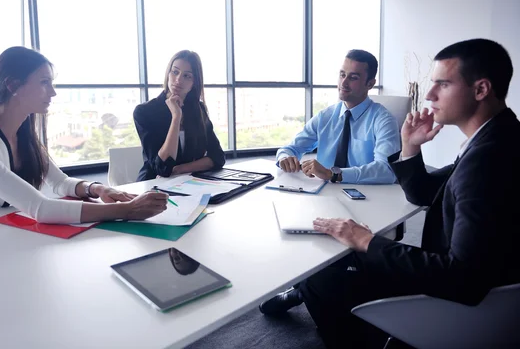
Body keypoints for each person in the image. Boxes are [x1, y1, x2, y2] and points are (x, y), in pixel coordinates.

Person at [262, 39, 520, 348]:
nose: (429, 94)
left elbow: (462, 279)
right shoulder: (497, 138)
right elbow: (426, 193)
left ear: (480, 90)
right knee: (339, 260)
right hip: (474, 278)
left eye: (442, 84)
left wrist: (367, 241)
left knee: (320, 279)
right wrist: (410, 147)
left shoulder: (487, 161)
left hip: (457, 301)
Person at [0, 47, 168, 224]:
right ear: (12, 85)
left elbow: (60, 183)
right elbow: (40, 207)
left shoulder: (24, 134)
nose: (52, 92)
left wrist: (97, 189)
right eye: (44, 82)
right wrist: (126, 210)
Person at [277, 49, 400, 184]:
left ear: (370, 84)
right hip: (323, 194)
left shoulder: (384, 120)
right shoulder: (325, 116)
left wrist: (332, 174)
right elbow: (291, 149)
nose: (344, 83)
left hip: (366, 197)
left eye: (353, 78)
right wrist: (284, 157)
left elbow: (387, 170)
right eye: (342, 75)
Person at [133, 50, 225, 181]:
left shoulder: (198, 109)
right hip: (153, 185)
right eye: (175, 72)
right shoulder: (144, 112)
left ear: (194, 82)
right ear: (168, 74)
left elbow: (217, 157)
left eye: (187, 76)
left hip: (187, 181)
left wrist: (179, 169)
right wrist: (176, 117)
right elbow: (163, 168)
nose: (178, 80)